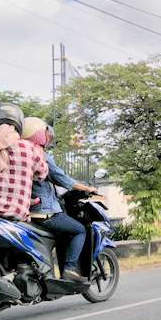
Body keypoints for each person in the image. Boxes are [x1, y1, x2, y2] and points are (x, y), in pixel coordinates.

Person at [22, 117, 97, 283]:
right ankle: (69, 269)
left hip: (25, 211)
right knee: (79, 230)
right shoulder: (40, 156)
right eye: (46, 135)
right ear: (40, 135)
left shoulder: (19, 154)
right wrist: (87, 188)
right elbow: (61, 178)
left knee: (64, 233)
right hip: (44, 212)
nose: (48, 139)